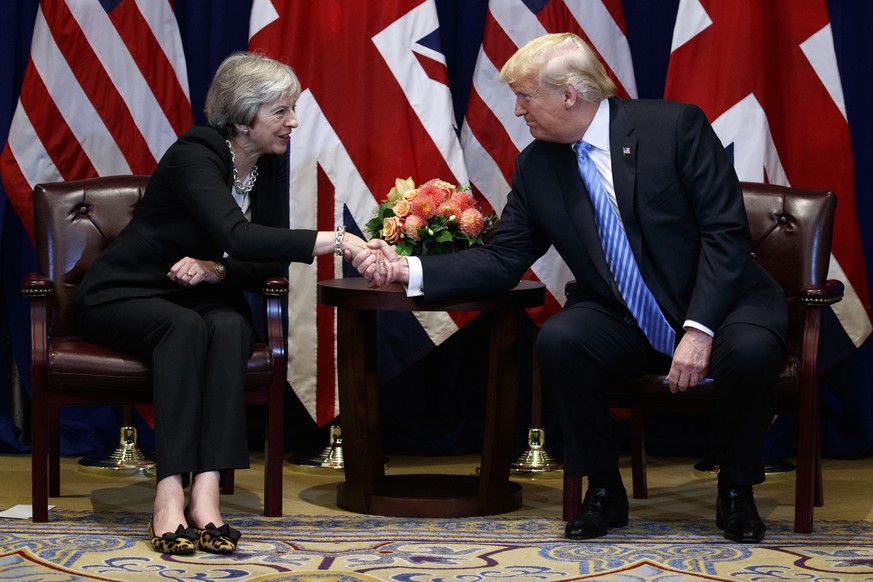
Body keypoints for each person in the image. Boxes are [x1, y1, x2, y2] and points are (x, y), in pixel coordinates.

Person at [356, 33, 787, 543]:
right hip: (623, 313)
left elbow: (724, 234)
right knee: (562, 340)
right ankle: (603, 487)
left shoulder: (674, 128)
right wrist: (407, 269)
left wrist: (699, 328)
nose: (516, 112)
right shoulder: (538, 164)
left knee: (755, 349)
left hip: (722, 302)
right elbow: (502, 259)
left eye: (525, 96)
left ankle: (736, 488)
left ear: (569, 95)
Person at [76, 52, 369, 555]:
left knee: (232, 327)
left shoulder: (269, 164)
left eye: (292, 109)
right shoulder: (196, 152)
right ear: (241, 117)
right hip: (127, 291)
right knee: (183, 328)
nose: (293, 121)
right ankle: (168, 495)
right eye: (281, 111)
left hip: (200, 293)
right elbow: (239, 233)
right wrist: (339, 241)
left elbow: (262, 261)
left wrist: (220, 269)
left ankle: (206, 495)